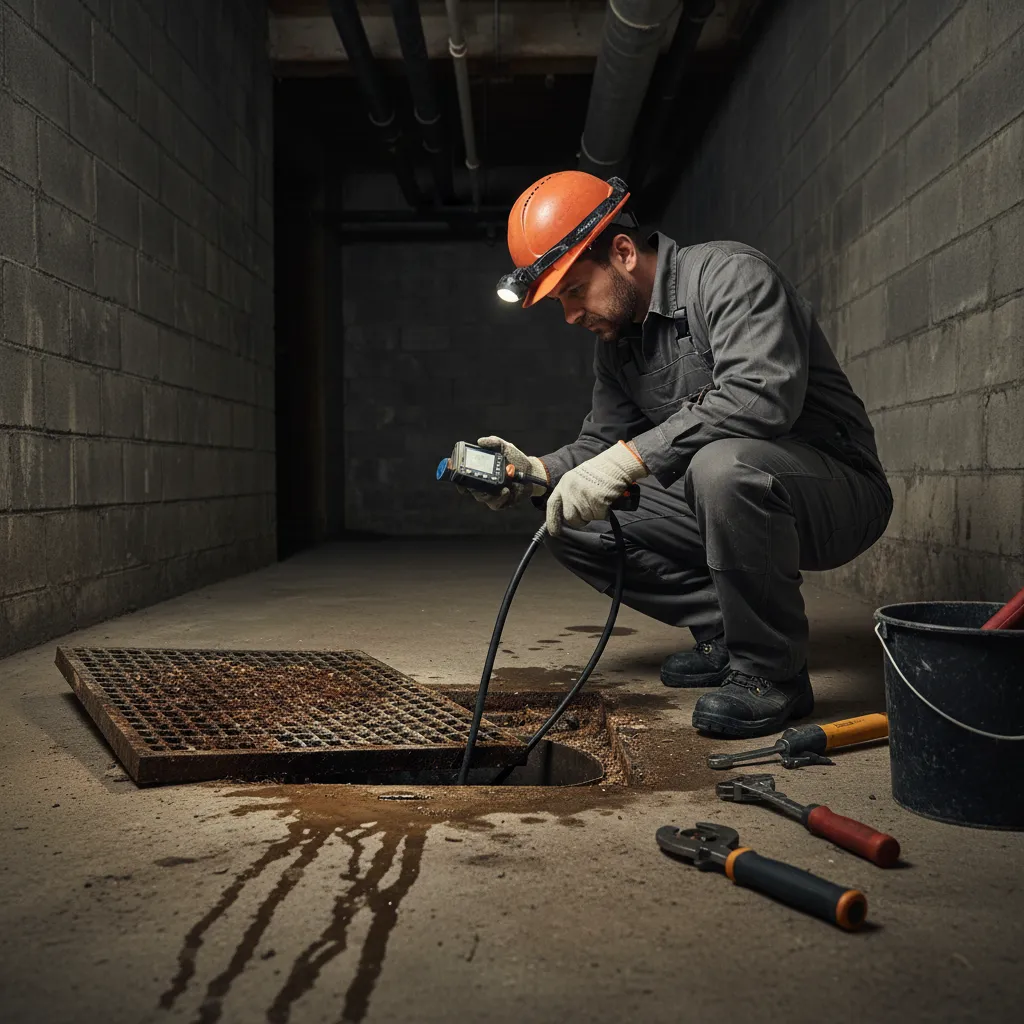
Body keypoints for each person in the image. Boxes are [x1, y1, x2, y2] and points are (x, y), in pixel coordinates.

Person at [468, 170, 892, 739]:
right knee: (569, 519)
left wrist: (627, 461)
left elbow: (760, 396)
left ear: (621, 251)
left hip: (835, 492)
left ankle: (773, 674)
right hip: (728, 495)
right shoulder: (618, 344)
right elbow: (602, 446)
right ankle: (728, 631)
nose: (569, 315)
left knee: (722, 467)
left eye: (572, 291)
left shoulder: (729, 276)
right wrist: (536, 473)